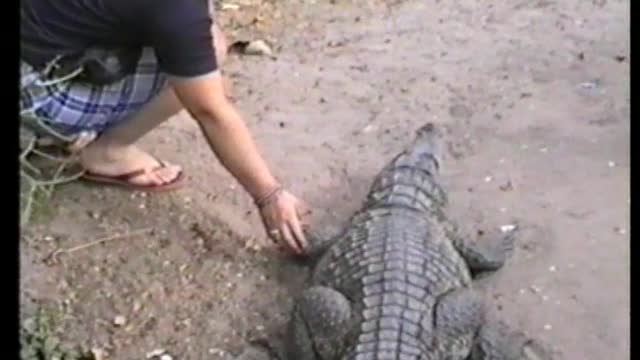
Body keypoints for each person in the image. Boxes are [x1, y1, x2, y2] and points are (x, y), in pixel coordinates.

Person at [20, 0, 309, 254]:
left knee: (205, 42)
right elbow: (209, 111)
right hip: (35, 92)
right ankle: (108, 152)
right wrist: (269, 195)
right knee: (208, 71)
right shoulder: (177, 7)